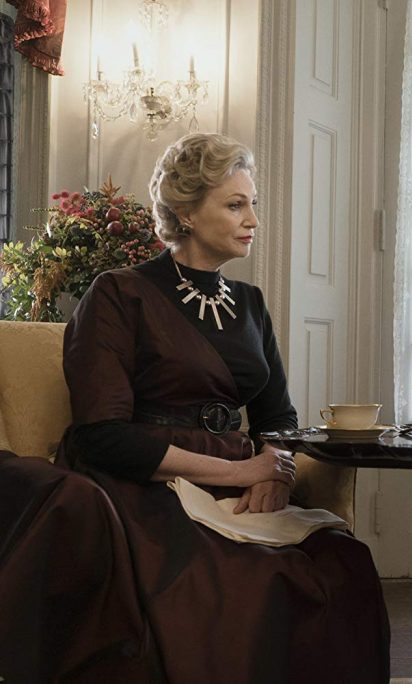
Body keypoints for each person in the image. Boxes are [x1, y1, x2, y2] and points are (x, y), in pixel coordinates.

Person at [0, 133, 390, 683]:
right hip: (143, 485)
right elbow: (102, 435)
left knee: (338, 562)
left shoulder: (251, 304)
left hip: (238, 481)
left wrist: (275, 471)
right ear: (185, 212)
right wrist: (239, 469)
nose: (252, 218)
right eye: (234, 204)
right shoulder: (119, 293)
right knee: (229, 583)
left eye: (253, 203)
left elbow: (279, 416)